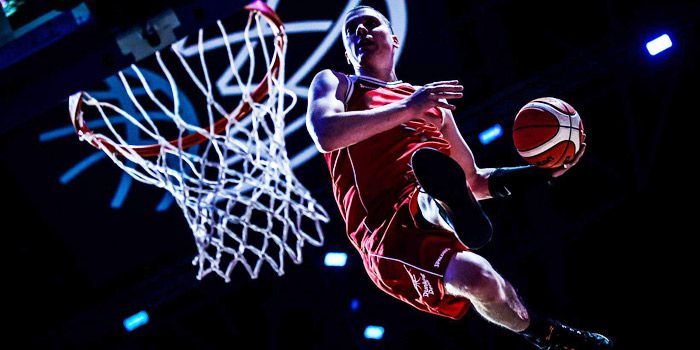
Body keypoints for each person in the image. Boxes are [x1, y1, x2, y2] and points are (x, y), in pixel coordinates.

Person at [305, 5, 612, 349]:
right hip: (385, 228)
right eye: (351, 30)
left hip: (428, 194)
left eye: (369, 24)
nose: (359, 32)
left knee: (480, 281)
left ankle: (547, 335)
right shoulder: (340, 84)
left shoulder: (432, 103)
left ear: (393, 38)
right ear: (347, 53)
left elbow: (474, 182)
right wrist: (408, 108)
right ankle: (438, 206)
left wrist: (540, 173)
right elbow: (325, 134)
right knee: (468, 257)